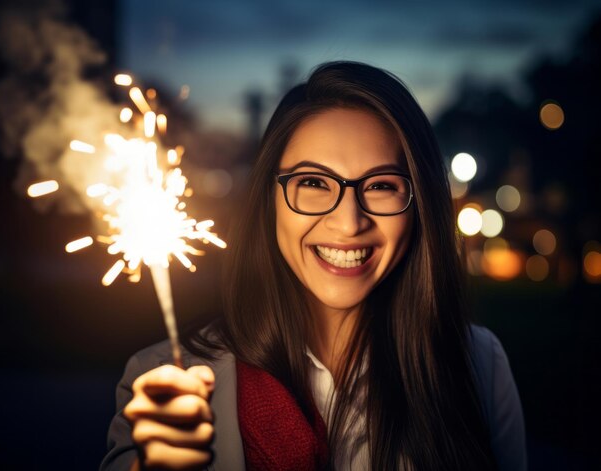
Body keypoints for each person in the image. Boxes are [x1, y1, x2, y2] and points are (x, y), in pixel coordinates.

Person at [100, 61, 526, 471]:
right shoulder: (162, 378)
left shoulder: (479, 364)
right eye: (313, 183)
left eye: (380, 186)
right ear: (268, 200)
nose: (349, 222)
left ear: (420, 205)